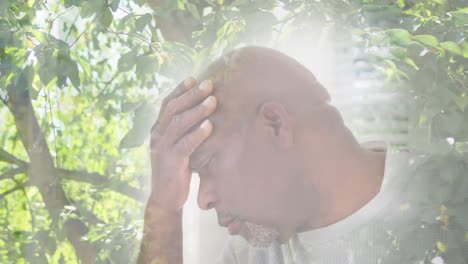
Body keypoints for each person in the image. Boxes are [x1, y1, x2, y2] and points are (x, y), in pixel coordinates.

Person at [137, 46, 466, 264]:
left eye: (207, 164)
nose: (203, 200)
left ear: (276, 124)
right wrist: (164, 209)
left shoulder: (453, 202)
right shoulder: (250, 253)